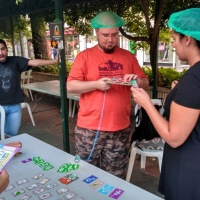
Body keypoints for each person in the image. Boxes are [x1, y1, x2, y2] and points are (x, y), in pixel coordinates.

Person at [67, 11, 149, 179]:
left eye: (114, 35)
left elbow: (145, 82)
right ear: (96, 32)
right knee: (84, 173)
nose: (110, 40)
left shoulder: (128, 57)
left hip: (120, 128)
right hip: (89, 129)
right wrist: (96, 84)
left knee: (115, 175)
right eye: (105, 35)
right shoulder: (84, 57)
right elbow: (70, 86)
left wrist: (137, 81)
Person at [131, 8, 200, 200]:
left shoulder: (193, 80)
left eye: (174, 39)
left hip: (188, 173)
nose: (173, 45)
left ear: (187, 39)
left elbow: (174, 137)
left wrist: (146, 103)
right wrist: (179, 92)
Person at [0, 39, 59, 137]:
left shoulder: (15, 61)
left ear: (7, 49)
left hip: (15, 107)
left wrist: (54, 61)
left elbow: (34, 62)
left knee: (11, 135)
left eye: (3, 49)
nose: (1, 53)